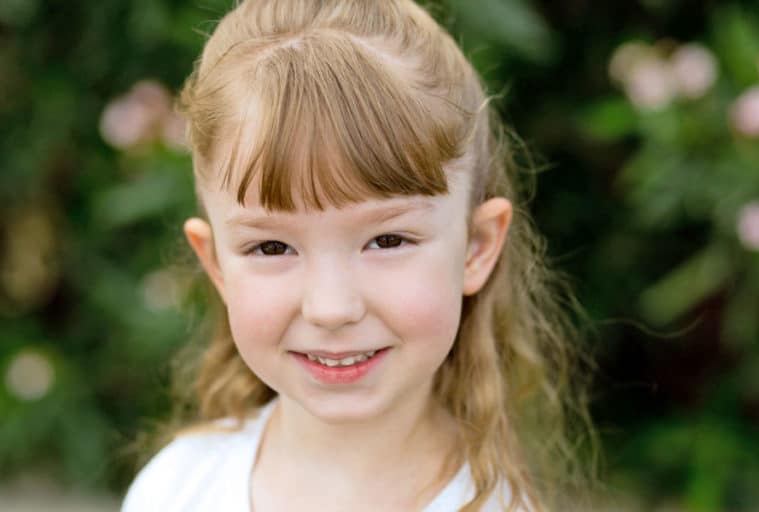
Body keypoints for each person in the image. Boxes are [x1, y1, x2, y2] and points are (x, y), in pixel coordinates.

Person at [121, 1, 596, 510]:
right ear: (215, 265)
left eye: (387, 241)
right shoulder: (175, 489)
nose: (331, 308)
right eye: (272, 246)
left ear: (476, 247)